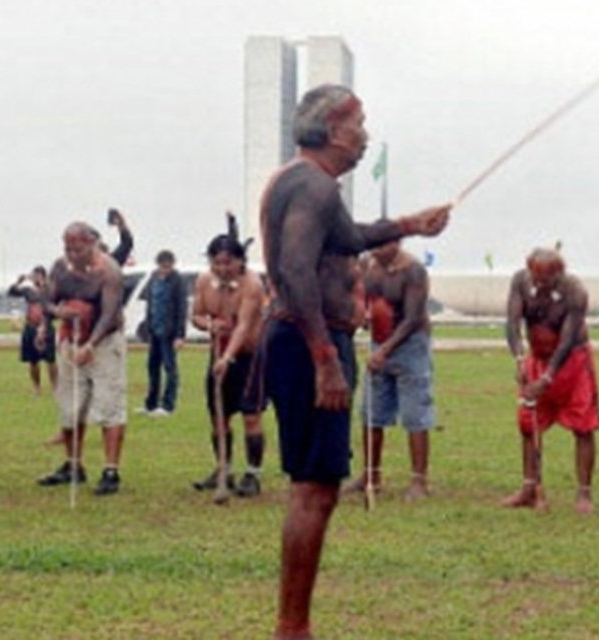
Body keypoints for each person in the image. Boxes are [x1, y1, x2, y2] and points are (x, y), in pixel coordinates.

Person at [260, 84, 450, 640]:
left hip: (304, 339)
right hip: (306, 342)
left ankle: (294, 624)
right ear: (330, 130)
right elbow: (295, 271)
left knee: (316, 485)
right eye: (359, 124)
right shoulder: (314, 186)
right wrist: (325, 357)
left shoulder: (306, 184)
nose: (365, 136)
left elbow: (347, 238)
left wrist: (411, 224)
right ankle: (292, 628)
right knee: (314, 487)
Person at [503, 248, 599, 515]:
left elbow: (568, 339)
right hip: (537, 357)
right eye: (536, 279)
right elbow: (512, 323)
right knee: (528, 423)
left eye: (546, 281)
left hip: (573, 363)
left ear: (559, 274)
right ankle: (530, 488)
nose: (539, 286)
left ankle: (583, 493)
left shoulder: (575, 291)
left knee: (583, 427)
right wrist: (520, 360)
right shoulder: (520, 281)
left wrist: (547, 377)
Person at [37, 222, 127, 496]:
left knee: (108, 405)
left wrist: (91, 345)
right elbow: (47, 301)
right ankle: (73, 464)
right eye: (68, 248)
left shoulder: (109, 271)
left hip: (104, 343)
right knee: (70, 405)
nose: (72, 254)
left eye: (78, 248)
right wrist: (49, 320)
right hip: (69, 341)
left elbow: (109, 314)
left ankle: (111, 469)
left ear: (92, 243)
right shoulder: (60, 267)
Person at [342, 240, 435, 500]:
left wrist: (385, 350)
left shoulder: (413, 271)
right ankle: (371, 473)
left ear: (396, 244)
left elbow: (413, 317)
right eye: (374, 247)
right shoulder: (367, 265)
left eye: (382, 247)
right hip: (379, 342)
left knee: (415, 414)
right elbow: (358, 298)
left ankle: (419, 480)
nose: (376, 252)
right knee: (371, 412)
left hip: (410, 346)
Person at [190, 223, 268, 497]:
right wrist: (209, 327)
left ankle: (253, 473)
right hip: (218, 354)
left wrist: (227, 356)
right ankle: (223, 467)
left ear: (240, 261)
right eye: (216, 262)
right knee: (219, 417)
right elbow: (197, 315)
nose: (222, 268)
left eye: (228, 262)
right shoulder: (203, 282)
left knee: (250, 416)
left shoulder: (252, 285)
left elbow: (245, 326)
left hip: (249, 357)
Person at [138, 249, 187, 416]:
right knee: (152, 367)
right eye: (162, 266)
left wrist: (180, 334)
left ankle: (168, 405)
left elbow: (182, 308)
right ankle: (151, 403)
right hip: (155, 330)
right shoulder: (153, 279)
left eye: (168, 267)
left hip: (169, 332)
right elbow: (150, 304)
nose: (165, 270)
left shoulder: (177, 281)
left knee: (170, 368)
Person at [8, 266, 57, 396]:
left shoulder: (49, 290)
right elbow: (11, 292)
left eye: (39, 275)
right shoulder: (28, 291)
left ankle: (55, 387)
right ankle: (36, 386)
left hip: (46, 326)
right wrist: (19, 281)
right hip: (31, 326)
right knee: (33, 360)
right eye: (35, 275)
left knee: (50, 359)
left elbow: (52, 300)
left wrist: (44, 286)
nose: (36, 278)